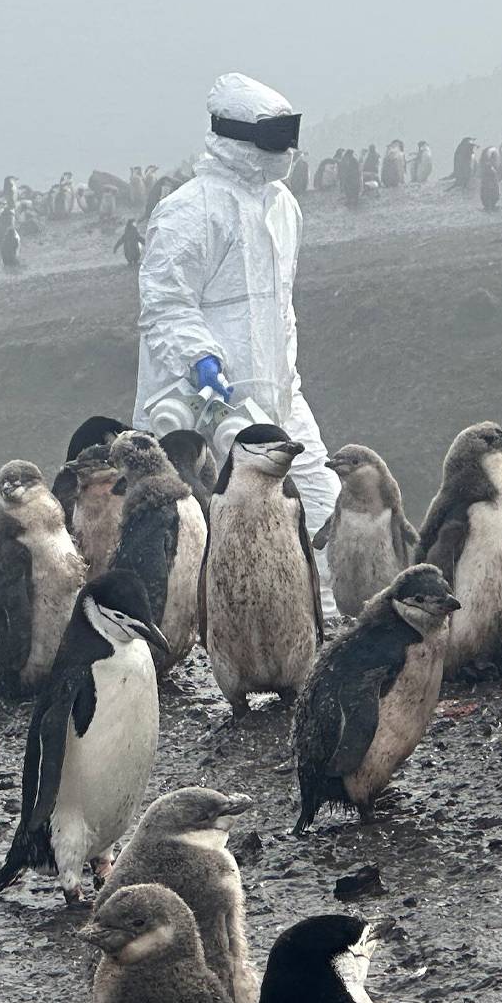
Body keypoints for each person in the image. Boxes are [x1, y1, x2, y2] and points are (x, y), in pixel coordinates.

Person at [132, 72, 339, 608]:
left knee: (321, 504)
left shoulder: (283, 207)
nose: (286, 148)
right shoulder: (190, 209)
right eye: (275, 136)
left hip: (279, 395)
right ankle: (218, 632)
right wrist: (200, 358)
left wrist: (287, 378)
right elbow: (165, 302)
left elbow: (279, 309)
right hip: (206, 404)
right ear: (238, 135)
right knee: (213, 527)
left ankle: (325, 617)